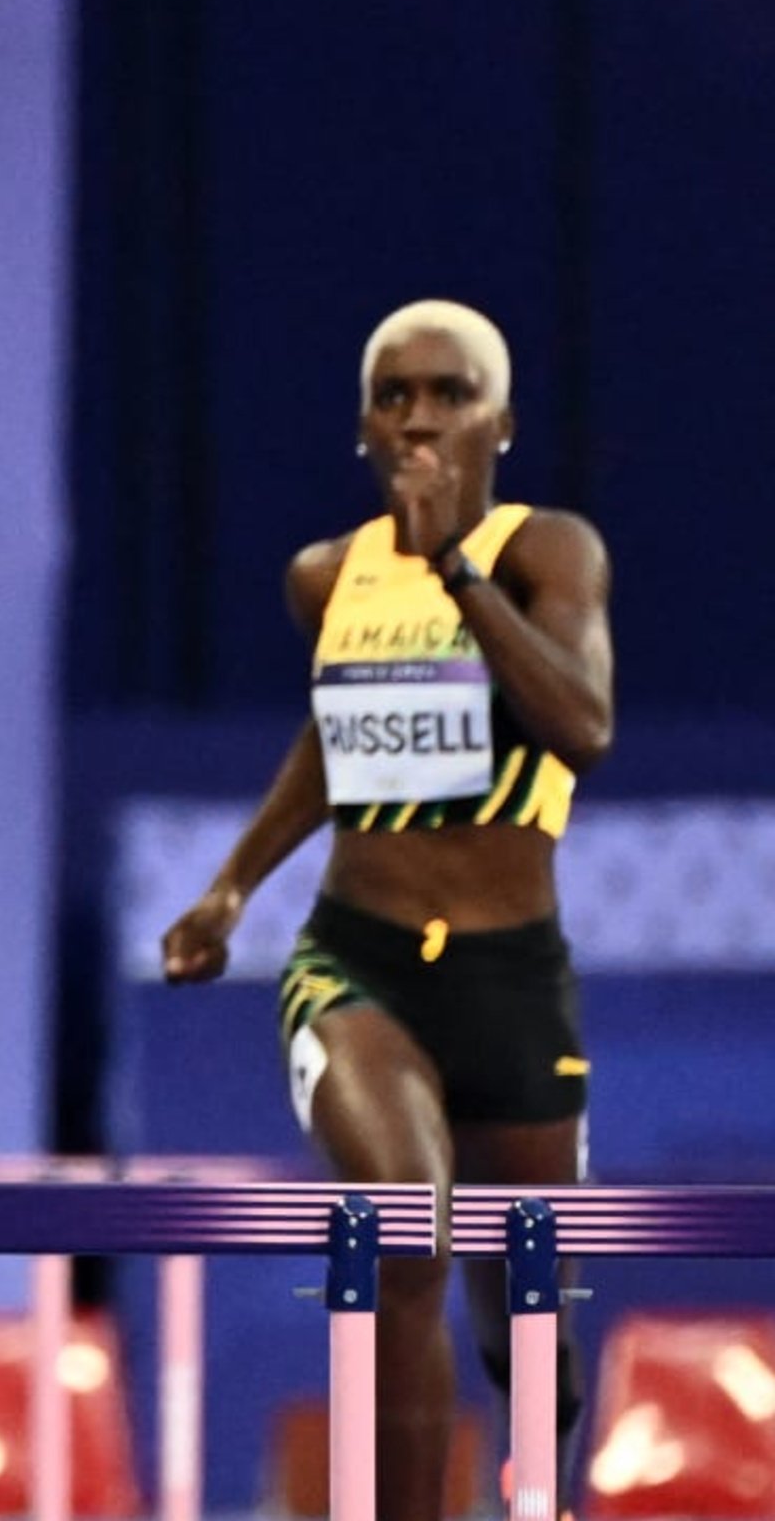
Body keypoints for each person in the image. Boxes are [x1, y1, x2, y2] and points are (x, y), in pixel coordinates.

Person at [161, 300, 613, 1521]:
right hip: (356, 965)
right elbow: (335, 739)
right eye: (393, 393)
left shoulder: (547, 552)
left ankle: (531, 1463)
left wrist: (453, 569)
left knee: (524, 1312)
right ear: (363, 423)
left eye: (447, 392)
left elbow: (580, 723)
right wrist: (231, 884)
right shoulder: (325, 576)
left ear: (500, 422)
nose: (417, 415)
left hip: (510, 981)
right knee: (402, 1225)